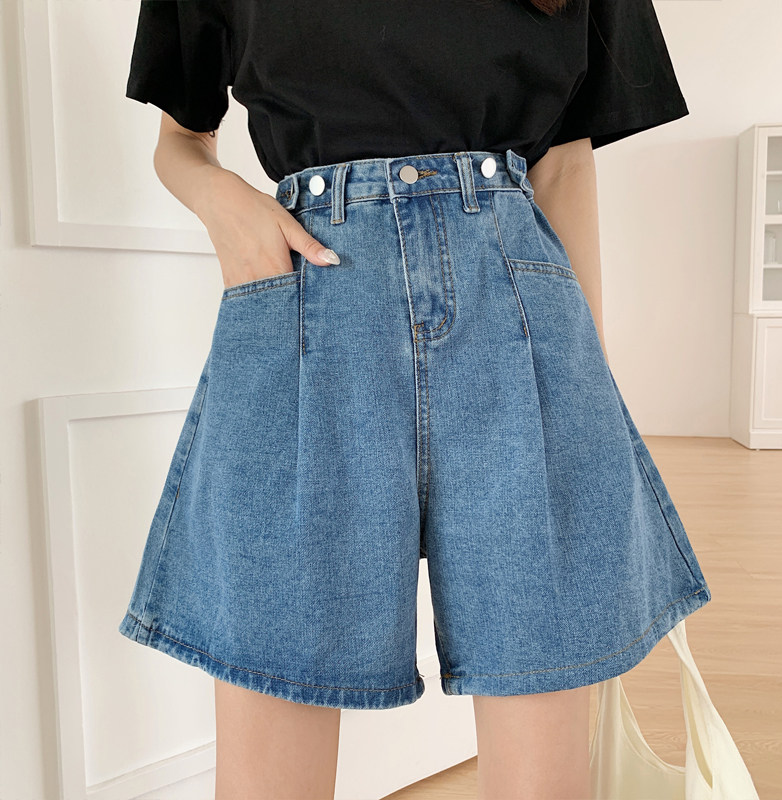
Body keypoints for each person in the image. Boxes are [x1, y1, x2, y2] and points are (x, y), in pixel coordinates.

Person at [118, 0, 712, 797]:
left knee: (542, 766)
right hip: (308, 312)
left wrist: (585, 391)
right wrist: (224, 203)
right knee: (271, 748)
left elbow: (564, 164)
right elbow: (180, 140)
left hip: (517, 322)